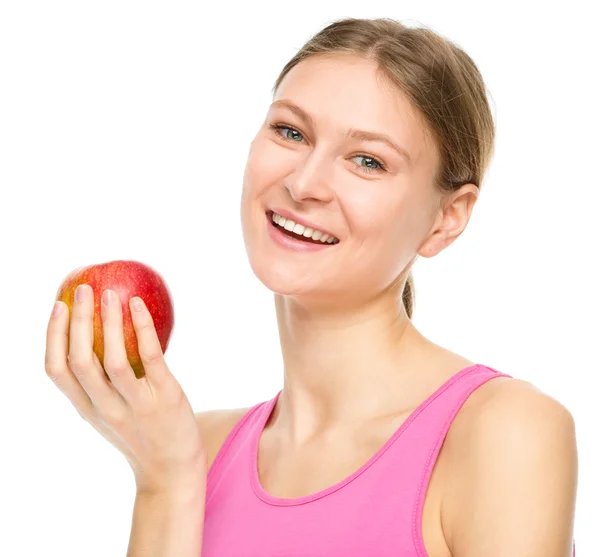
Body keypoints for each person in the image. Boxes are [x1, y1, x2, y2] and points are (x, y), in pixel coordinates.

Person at [45, 17, 578, 557]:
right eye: (291, 132)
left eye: (368, 161)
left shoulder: (505, 434)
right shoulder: (190, 450)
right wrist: (164, 486)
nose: (303, 183)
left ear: (446, 218)